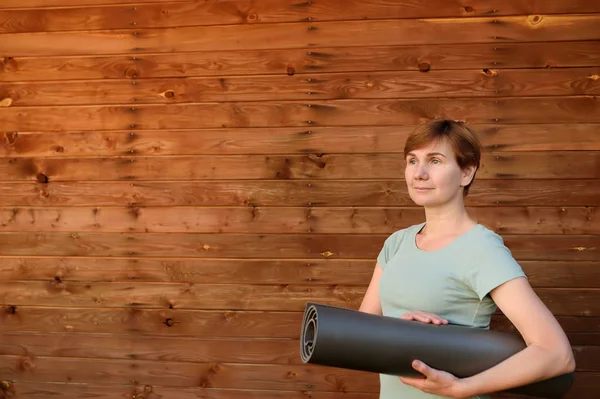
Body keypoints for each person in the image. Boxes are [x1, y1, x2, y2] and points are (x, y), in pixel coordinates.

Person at [358, 120, 576, 399]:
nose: (419, 173)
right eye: (412, 161)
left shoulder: (482, 250)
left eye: (435, 161)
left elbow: (557, 354)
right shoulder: (397, 243)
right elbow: (361, 333)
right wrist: (401, 325)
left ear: (466, 173)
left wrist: (463, 388)